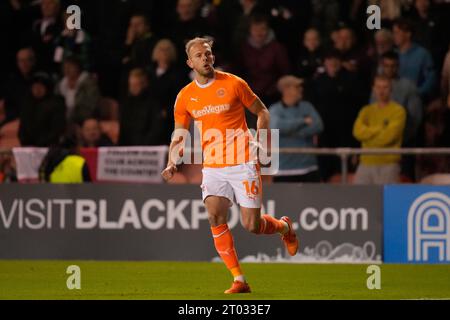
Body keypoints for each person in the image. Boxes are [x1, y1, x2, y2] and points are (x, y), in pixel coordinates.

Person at [161, 37, 298, 294]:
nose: (206, 58)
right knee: (214, 215)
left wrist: (263, 140)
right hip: (213, 166)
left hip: (243, 161)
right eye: (199, 55)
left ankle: (284, 227)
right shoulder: (185, 97)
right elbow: (179, 134)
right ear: (190, 62)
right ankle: (239, 280)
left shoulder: (234, 83)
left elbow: (262, 112)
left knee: (252, 226)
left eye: (208, 54)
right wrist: (172, 162)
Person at [353, 75, 406, 184]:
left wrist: (368, 135)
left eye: (385, 87)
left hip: (388, 164)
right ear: (373, 89)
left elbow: (388, 137)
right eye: (378, 87)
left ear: (391, 89)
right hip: (365, 163)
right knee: (359, 199)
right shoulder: (366, 111)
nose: (381, 91)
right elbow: (357, 132)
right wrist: (380, 129)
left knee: (388, 199)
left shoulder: (398, 111)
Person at [270, 75, 323, 182]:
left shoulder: (307, 106)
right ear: (286, 89)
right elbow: (275, 127)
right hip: (284, 169)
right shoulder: (275, 109)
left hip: (309, 167)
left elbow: (318, 126)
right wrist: (303, 121)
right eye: (297, 87)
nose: (301, 89)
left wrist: (292, 133)